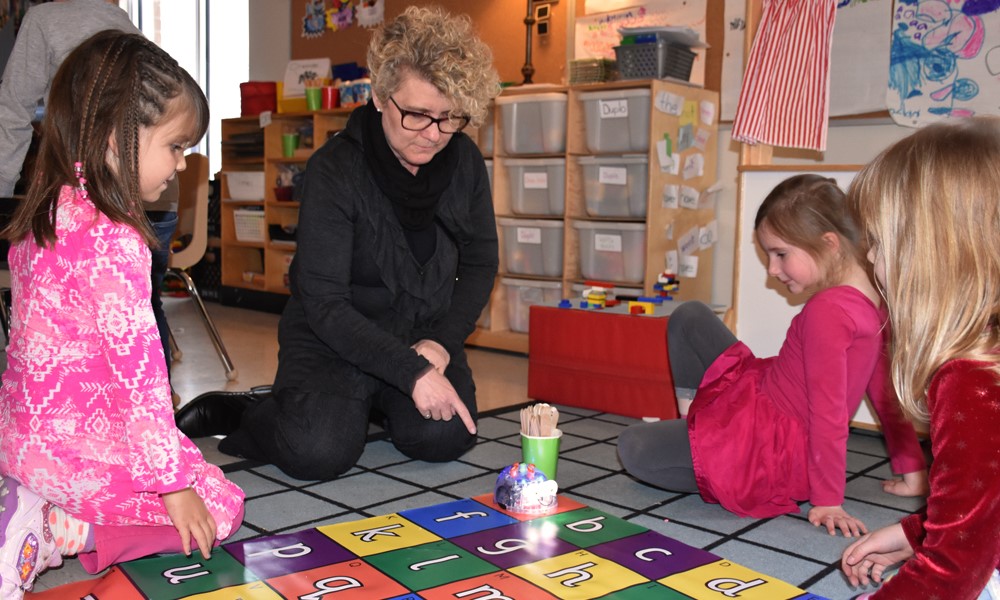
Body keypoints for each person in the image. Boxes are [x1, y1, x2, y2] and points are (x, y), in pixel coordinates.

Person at [176, 5, 500, 481]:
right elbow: (325, 303)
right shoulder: (335, 169)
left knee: (443, 438)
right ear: (379, 95)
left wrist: (440, 344)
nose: (433, 135)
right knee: (318, 452)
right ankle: (252, 410)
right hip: (335, 340)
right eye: (417, 115)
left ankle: (366, 404)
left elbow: (479, 263)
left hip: (419, 336)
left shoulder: (465, 162)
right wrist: (410, 374)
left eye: (450, 118)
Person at [0, 30, 244, 599]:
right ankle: (64, 529)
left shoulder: (51, 208)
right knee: (220, 505)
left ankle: (37, 500)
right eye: (176, 147)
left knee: (186, 477)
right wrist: (172, 485)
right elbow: (141, 382)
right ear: (116, 136)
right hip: (80, 447)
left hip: (22, 440)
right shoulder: (116, 240)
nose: (181, 166)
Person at [617, 174, 928, 536]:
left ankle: (702, 442)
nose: (772, 270)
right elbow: (887, 393)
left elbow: (827, 413)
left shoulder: (829, 311)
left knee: (633, 445)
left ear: (829, 244)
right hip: (762, 392)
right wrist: (913, 469)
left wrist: (828, 500)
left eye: (781, 254)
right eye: (768, 255)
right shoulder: (876, 298)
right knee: (690, 317)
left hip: (769, 447)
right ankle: (696, 427)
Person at [840, 117, 1000, 599]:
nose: (870, 260)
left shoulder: (973, 380)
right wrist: (919, 533)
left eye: (881, 244)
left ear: (930, 258)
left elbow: (952, 572)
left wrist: (934, 551)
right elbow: (988, 502)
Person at [0, 0, 179, 404]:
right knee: (142, 313)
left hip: (101, 197)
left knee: (72, 323)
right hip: (147, 196)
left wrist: (3, 193)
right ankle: (153, 412)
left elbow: (10, 111)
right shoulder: (123, 23)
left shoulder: (46, 19)